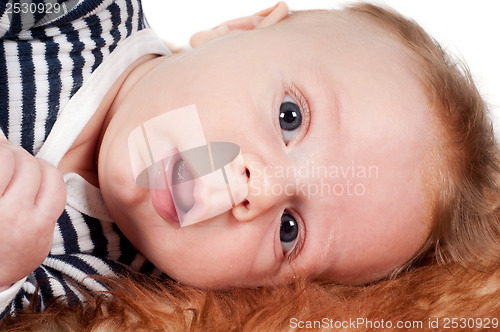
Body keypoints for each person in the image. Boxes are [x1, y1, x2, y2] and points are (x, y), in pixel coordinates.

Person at [1, 0, 499, 319]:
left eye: (290, 230)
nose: (256, 188)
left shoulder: (104, 293)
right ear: (235, 28)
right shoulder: (83, 17)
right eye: (289, 117)